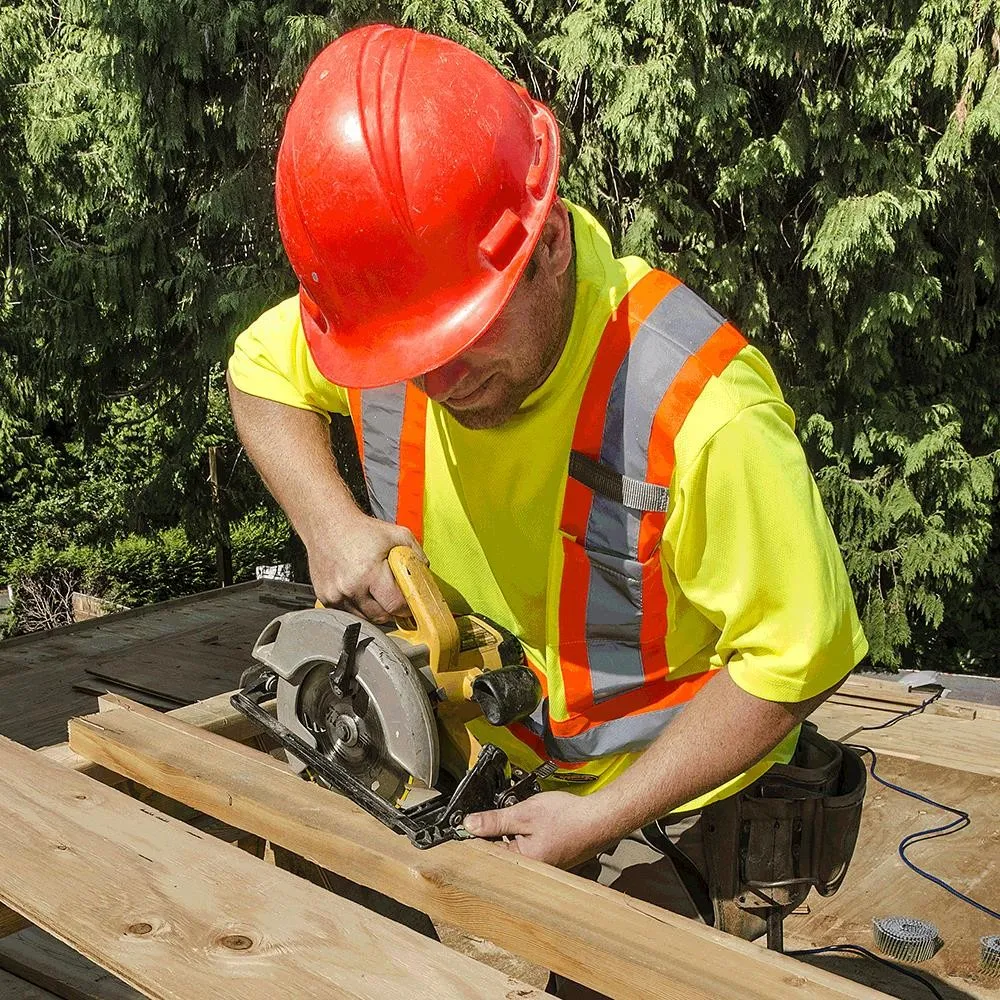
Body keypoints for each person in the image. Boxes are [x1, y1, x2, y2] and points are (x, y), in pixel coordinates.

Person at [227, 22, 868, 993]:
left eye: (465, 339)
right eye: (405, 357)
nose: (436, 380)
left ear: (550, 245)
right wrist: (328, 521)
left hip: (676, 796)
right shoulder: (399, 320)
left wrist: (592, 821)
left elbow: (793, 662)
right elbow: (259, 375)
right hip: (508, 754)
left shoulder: (694, 408)